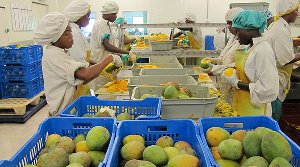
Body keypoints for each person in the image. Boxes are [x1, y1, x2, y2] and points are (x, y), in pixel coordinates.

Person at [33, 12, 123, 116]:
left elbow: (82, 79)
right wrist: (110, 58)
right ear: (55, 37)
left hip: (69, 109)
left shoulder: (60, 52)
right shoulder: (54, 54)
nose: (72, 37)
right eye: (67, 34)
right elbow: (84, 74)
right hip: (61, 114)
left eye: (71, 33)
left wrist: (102, 70)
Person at [221, 10, 279, 117]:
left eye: (238, 31)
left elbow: (268, 89)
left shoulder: (263, 51)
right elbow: (247, 70)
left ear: (249, 30)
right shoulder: (250, 48)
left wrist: (237, 83)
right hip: (242, 107)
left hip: (256, 112)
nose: (236, 36)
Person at [264, 0, 300, 121]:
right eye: (296, 10)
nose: (298, 13)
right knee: (273, 117)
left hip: (273, 76)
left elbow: (285, 45)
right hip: (275, 79)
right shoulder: (281, 30)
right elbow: (286, 60)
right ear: (288, 11)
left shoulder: (278, 25)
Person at [201, 7, 244, 105]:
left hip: (237, 83)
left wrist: (221, 68)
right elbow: (224, 56)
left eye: (231, 23)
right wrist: (215, 61)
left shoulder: (245, 41)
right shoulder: (232, 38)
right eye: (227, 23)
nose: (228, 26)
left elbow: (241, 64)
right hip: (226, 82)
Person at [90, 1, 137, 90]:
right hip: (100, 63)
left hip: (107, 63)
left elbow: (109, 46)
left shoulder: (107, 24)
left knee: (109, 90)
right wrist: (127, 52)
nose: (115, 17)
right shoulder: (100, 24)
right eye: (113, 14)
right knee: (102, 91)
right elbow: (107, 45)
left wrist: (120, 55)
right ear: (107, 13)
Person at [63, 0, 96, 99]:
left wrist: (98, 64)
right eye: (87, 16)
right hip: (77, 86)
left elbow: (83, 58)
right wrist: (105, 63)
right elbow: (79, 66)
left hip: (82, 84)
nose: (89, 19)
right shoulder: (74, 33)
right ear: (79, 16)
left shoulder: (77, 30)